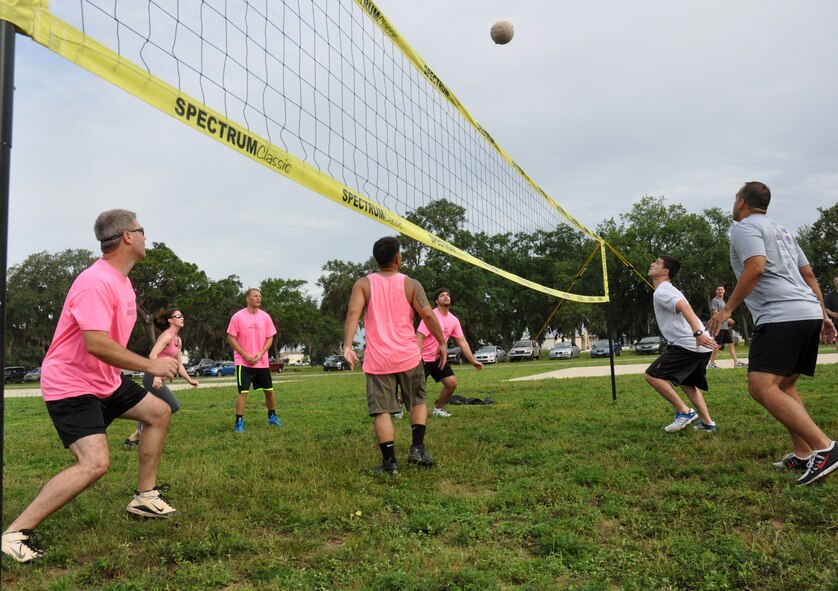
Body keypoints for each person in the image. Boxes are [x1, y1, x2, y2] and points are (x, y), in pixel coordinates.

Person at [1, 210, 181, 564]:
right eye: (142, 230)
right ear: (127, 237)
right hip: (71, 384)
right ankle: (15, 533)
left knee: (158, 411)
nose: (147, 236)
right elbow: (96, 343)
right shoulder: (95, 281)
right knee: (95, 462)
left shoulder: (123, 282)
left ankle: (145, 497)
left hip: (104, 380)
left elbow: (106, 349)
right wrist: (150, 364)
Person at [707, 181, 837, 486]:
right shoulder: (784, 231)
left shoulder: (744, 228)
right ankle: (804, 453)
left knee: (761, 386)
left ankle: (824, 447)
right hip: (804, 311)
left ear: (741, 202)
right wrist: (821, 314)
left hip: (781, 315)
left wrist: (726, 310)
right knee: (785, 387)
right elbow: (808, 275)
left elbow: (755, 267)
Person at [343, 236, 447, 475]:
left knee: (382, 410)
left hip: (379, 360)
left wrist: (348, 345)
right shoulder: (411, 283)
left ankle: (390, 463)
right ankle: (417, 449)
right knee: (418, 402)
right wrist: (441, 341)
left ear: (376, 259)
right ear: (398, 258)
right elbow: (429, 316)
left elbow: (352, 314)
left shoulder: (363, 283)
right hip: (409, 356)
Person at [644, 254, 720, 433]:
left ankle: (684, 412)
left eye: (657, 263)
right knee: (687, 384)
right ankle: (708, 423)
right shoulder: (668, 289)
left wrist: (698, 333)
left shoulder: (663, 291)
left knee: (652, 376)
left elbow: (685, 308)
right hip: (697, 345)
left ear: (665, 271)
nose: (651, 264)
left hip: (689, 343)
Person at [124, 309, 199, 446]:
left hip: (158, 378)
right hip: (151, 377)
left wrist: (190, 380)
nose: (182, 318)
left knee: (158, 408)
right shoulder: (167, 336)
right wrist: (157, 375)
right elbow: (153, 355)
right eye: (178, 316)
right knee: (173, 405)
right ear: (170, 320)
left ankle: (134, 437)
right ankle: (141, 432)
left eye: (182, 315)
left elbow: (179, 364)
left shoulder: (178, 340)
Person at [416, 288, 483, 417]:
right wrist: (418, 358)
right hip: (423, 359)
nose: (446, 297)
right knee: (414, 388)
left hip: (439, 359)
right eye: (442, 295)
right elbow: (419, 337)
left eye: (447, 295)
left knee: (451, 383)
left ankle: (438, 409)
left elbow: (462, 342)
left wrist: (473, 361)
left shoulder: (453, 320)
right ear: (436, 301)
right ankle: (399, 404)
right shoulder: (430, 316)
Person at [227, 288, 280, 432]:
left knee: (269, 391)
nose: (258, 298)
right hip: (243, 362)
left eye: (260, 296)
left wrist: (261, 353)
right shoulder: (237, 317)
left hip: (261, 362)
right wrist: (244, 354)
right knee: (243, 392)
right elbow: (231, 337)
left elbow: (270, 337)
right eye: (255, 296)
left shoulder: (265, 317)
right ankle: (239, 422)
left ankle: (272, 417)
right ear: (247, 298)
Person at [707, 286, 746, 369]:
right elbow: (715, 313)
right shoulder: (715, 300)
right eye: (718, 289)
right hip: (719, 327)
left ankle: (736, 363)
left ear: (724, 291)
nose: (720, 291)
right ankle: (711, 363)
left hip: (725, 327)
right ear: (716, 291)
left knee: (731, 344)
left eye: (722, 289)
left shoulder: (723, 301)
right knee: (717, 346)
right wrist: (728, 319)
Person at [825, 275, 838, 354]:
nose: (837, 282)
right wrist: (833, 314)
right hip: (836, 321)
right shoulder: (830, 295)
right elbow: (825, 308)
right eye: (835, 281)